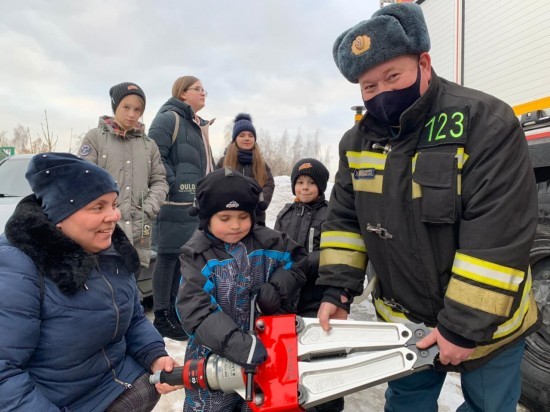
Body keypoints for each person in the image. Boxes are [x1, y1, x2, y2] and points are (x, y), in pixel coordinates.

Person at [316, 3, 540, 412]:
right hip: (404, 326)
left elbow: (497, 234)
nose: (381, 93)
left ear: (424, 62)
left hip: (489, 329)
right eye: (368, 86)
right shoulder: (356, 141)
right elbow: (345, 222)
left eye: (392, 76)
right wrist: (338, 288)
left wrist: (461, 327)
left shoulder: (484, 120)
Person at [0, 153, 180, 412]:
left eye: (113, 204)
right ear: (60, 214)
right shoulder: (17, 268)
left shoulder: (110, 251)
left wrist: (154, 355)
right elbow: (5, 376)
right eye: (98, 207)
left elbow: (134, 319)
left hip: (125, 389)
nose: (113, 216)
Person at [176, 167, 307, 411]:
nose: (235, 225)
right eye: (225, 218)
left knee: (261, 404)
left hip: (265, 354)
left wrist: (277, 289)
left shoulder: (270, 242)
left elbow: (299, 262)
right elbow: (195, 309)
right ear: (206, 218)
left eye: (243, 217)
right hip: (213, 359)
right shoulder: (197, 256)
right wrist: (234, 343)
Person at [148, 76, 215, 340]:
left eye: (203, 89)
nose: (203, 93)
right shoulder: (169, 119)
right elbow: (155, 154)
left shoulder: (193, 124)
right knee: (166, 258)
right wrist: (175, 184)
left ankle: (174, 313)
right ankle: (162, 316)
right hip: (172, 200)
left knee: (180, 259)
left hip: (189, 203)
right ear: (182, 93)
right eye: (197, 89)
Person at [274, 158, 343, 412]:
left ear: (321, 186)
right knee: (293, 358)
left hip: (318, 295)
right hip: (290, 297)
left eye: (311, 183)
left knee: (325, 356)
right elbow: (276, 250)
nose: (304, 187)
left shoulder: (330, 214)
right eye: (300, 182)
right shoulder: (285, 213)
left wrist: (304, 264)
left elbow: (333, 252)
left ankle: (329, 405)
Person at [79, 81, 168, 269]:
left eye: (137, 109)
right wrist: (104, 210)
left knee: (130, 288)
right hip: (103, 230)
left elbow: (160, 181)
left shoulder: (149, 145)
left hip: (138, 233)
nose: (132, 114)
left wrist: (148, 209)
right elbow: (83, 179)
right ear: (115, 106)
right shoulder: (95, 138)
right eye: (126, 107)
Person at [217, 113, 275, 225]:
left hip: (256, 217)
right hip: (230, 217)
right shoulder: (224, 162)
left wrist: (260, 202)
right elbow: (215, 184)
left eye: (250, 135)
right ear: (235, 139)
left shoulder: (261, 163)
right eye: (242, 135)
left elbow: (269, 184)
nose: (247, 138)